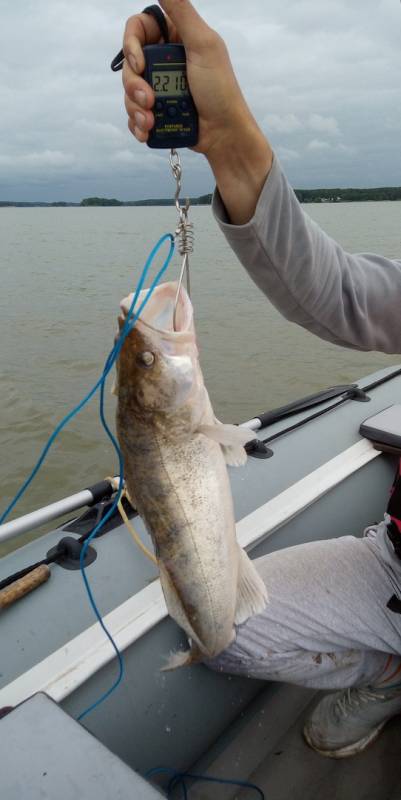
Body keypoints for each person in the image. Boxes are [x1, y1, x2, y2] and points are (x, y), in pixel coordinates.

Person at [120, 0, 401, 758]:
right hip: (395, 565)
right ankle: (387, 669)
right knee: (224, 631)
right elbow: (329, 291)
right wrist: (226, 142)